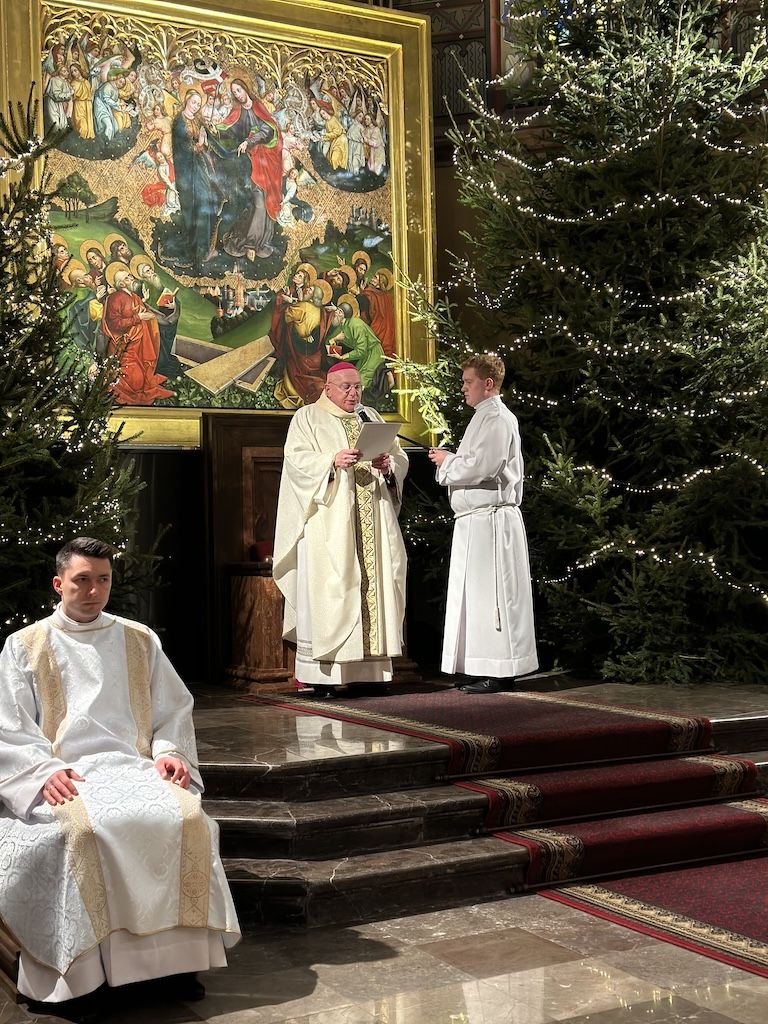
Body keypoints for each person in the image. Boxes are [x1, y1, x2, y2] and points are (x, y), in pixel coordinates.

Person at [0, 537, 240, 1021]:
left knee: (187, 820)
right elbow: (9, 725)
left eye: (103, 580)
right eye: (82, 580)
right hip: (64, 772)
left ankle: (174, 968)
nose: (94, 591)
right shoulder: (24, 645)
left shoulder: (138, 638)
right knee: (83, 833)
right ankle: (83, 980)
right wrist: (43, 772)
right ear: (58, 584)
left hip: (133, 765)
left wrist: (169, 753)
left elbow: (173, 708)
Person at [273, 362, 408, 697]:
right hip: (329, 523)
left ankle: (371, 673)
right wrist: (331, 462)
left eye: (358, 387)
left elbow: (398, 456)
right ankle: (326, 675)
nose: (353, 393)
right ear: (328, 388)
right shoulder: (307, 417)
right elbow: (296, 462)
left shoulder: (370, 416)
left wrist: (387, 466)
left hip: (373, 516)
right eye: (346, 387)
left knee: (377, 584)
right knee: (332, 587)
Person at [428, 354, 538, 693]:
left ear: (487, 384)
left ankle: (501, 670)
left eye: (468, 382)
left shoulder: (498, 418)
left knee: (495, 597)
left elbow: (484, 467)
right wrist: (452, 460)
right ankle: (480, 665)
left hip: (492, 521)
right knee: (476, 597)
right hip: (474, 522)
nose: (463, 388)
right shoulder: (483, 417)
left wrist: (447, 462)